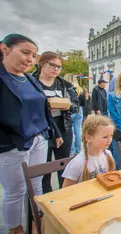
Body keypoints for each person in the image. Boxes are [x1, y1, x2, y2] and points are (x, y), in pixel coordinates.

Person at [0, 34, 60, 234]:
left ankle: (35, 223)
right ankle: (15, 229)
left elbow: (43, 107)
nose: (30, 59)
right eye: (25, 52)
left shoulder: (29, 78)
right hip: (13, 145)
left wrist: (53, 131)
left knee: (36, 185)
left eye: (34, 55)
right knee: (15, 191)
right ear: (5, 49)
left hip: (39, 140)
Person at [33, 51, 80, 192]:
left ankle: (64, 193)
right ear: (41, 64)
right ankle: (46, 196)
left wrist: (65, 104)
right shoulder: (31, 82)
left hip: (63, 127)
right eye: (52, 65)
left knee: (63, 164)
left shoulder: (64, 84)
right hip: (41, 129)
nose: (56, 69)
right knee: (44, 166)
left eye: (59, 67)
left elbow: (76, 105)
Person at [62, 115, 115, 187]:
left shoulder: (108, 155)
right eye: (105, 137)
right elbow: (65, 191)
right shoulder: (77, 163)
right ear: (88, 137)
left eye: (111, 136)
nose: (110, 140)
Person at [64, 73, 84, 156]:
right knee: (78, 131)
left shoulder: (66, 88)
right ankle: (78, 151)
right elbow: (83, 102)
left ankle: (71, 152)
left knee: (70, 131)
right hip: (79, 110)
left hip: (70, 109)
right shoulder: (80, 89)